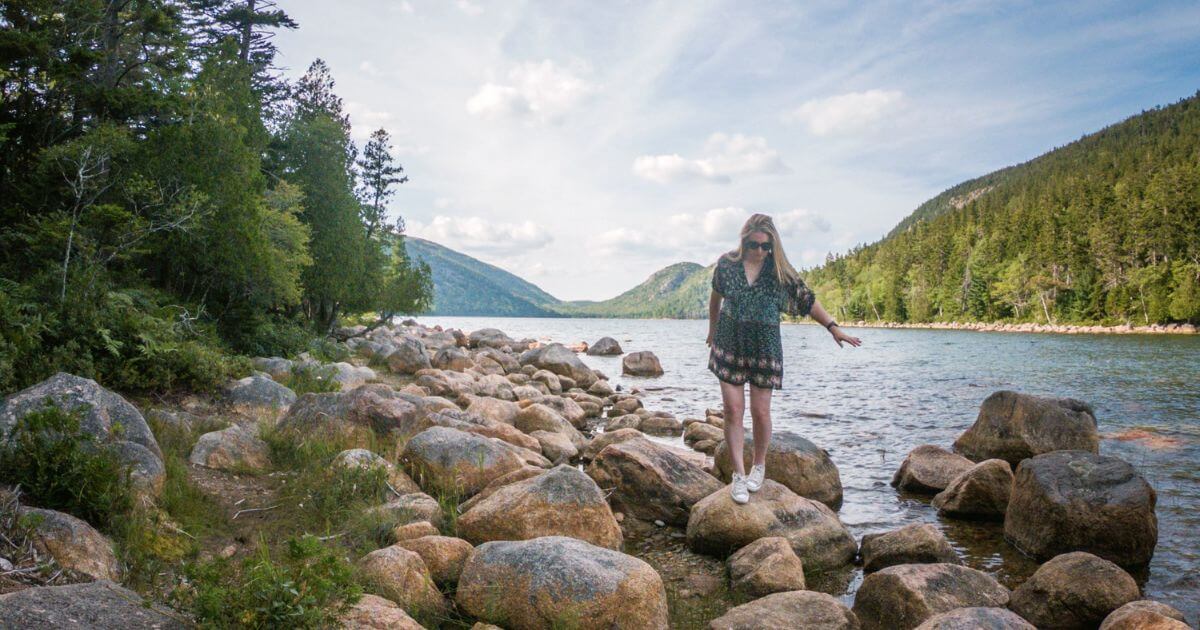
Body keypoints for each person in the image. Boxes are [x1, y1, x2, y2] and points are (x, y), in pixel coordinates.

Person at [706, 213, 862, 504]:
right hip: (729, 343)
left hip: (765, 346)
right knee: (732, 409)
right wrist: (712, 332)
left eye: (766, 246)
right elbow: (715, 298)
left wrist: (833, 327)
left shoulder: (778, 271)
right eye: (755, 245)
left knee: (761, 411)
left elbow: (807, 300)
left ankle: (759, 466)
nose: (760, 251)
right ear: (744, 240)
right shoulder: (727, 265)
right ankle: (738, 475)